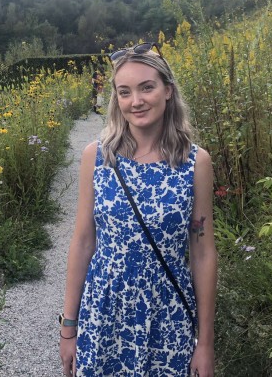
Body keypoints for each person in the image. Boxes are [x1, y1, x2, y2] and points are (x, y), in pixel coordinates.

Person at [60, 42, 218, 376]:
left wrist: (205, 344)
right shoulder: (97, 157)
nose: (137, 101)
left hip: (169, 316)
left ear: (168, 91)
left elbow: (203, 253)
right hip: (103, 313)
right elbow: (83, 242)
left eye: (147, 87)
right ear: (116, 98)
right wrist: (69, 329)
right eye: (125, 91)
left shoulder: (195, 163)